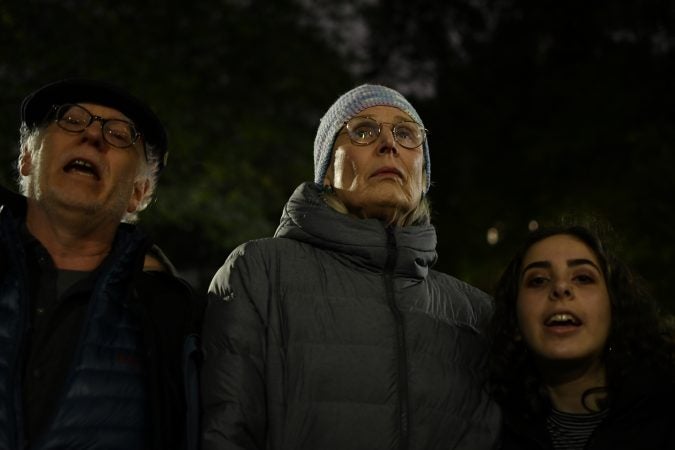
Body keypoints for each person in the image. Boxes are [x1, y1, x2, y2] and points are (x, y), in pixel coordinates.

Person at [201, 84, 500, 450]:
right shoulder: (260, 271)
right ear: (326, 171)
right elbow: (225, 432)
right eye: (363, 130)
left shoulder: (476, 313)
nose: (388, 144)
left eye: (405, 134)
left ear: (423, 178)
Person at [0, 78, 202, 450]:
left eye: (121, 134)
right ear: (26, 159)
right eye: (71, 120)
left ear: (138, 194)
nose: (93, 136)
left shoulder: (171, 315)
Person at [489, 224, 675, 449]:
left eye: (583, 278)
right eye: (538, 280)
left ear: (614, 307)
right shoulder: (480, 425)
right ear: (514, 318)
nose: (560, 287)